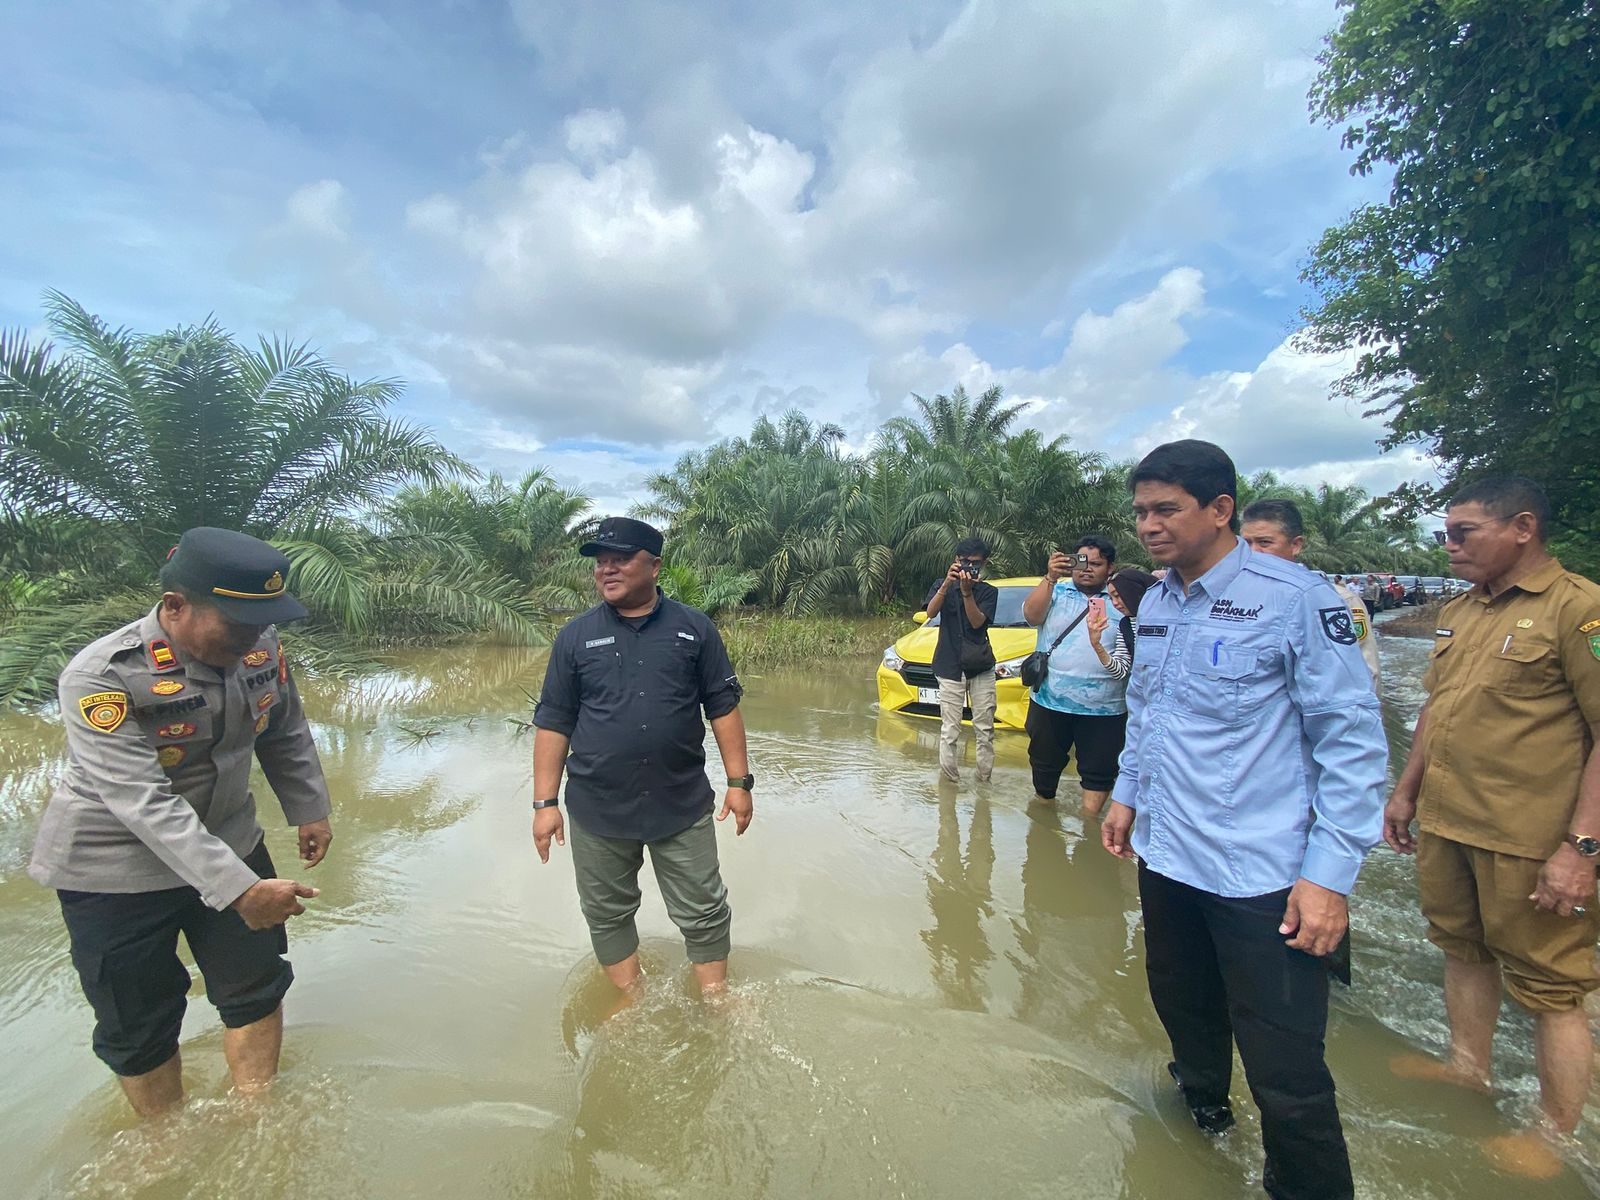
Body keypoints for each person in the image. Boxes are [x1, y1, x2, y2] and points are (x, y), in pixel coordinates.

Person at [1101, 440, 1387, 1200]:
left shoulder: (1296, 598)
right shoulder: (1157, 600)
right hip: (1167, 855)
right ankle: (1200, 1128)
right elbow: (1147, 710)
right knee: (1185, 1013)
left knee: (1286, 1071)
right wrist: (1128, 791)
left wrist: (1328, 879)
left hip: (1261, 874)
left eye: (1166, 509)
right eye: (1140, 512)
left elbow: (1352, 745)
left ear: (1221, 509)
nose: (1149, 526)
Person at [29, 528, 333, 1118]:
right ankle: (162, 1140)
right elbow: (140, 799)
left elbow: (285, 727)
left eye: (261, 624)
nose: (252, 639)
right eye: (236, 624)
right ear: (175, 607)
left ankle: (256, 1113)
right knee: (137, 1017)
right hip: (113, 869)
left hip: (230, 841)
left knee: (255, 985)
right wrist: (241, 888)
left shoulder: (258, 645)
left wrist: (308, 809)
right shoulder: (102, 675)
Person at [1382, 477, 1600, 1178]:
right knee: (1461, 948)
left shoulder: (1580, 611)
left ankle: (1553, 1132)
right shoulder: (1462, 611)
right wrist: (1406, 792)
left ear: (1523, 528)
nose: (1448, 545)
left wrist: (1582, 847)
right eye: (1445, 532)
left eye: (1463, 532)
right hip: (1450, 821)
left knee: (1552, 985)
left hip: (1530, 837)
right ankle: (1466, 1068)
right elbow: (1437, 711)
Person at [531, 516, 753, 999]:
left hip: (681, 803)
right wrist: (544, 804)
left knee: (705, 909)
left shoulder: (695, 629)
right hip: (597, 808)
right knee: (606, 911)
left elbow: (722, 707)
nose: (606, 569)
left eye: (620, 559)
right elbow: (554, 720)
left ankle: (717, 999)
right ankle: (629, 1000)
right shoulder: (574, 637)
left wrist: (740, 784)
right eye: (599, 562)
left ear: (654, 565)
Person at [1022, 536, 1127, 815]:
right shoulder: (1057, 592)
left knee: (1099, 772)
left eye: (1096, 563)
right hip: (1049, 701)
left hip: (1106, 709)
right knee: (1043, 766)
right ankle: (1043, 818)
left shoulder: (1121, 600)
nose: (1087, 569)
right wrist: (1050, 577)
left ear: (1110, 567)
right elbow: (1031, 616)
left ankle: (1089, 827)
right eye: (1081, 562)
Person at [1241, 499, 1380, 689]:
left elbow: (1365, 674)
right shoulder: (1230, 600)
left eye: (1265, 543)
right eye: (1245, 543)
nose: (1253, 552)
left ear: (1296, 545)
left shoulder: (1338, 601)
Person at [922, 536, 999, 783]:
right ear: (956, 560)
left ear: (984, 563)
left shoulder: (988, 591)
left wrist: (967, 594)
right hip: (949, 664)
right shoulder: (942, 584)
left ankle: (983, 781)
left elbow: (978, 622)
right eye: (964, 561)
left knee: (985, 729)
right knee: (949, 730)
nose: (968, 566)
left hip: (980, 667)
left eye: (974, 563)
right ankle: (949, 782)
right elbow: (931, 612)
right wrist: (947, 584)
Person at [1088, 568, 1160, 682]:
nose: (1115, 603)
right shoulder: (1126, 625)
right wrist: (1096, 644)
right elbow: (1119, 671)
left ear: (1134, 591)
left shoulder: (1167, 616)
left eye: (1117, 595)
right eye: (1111, 598)